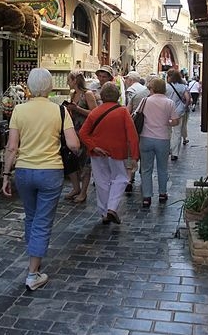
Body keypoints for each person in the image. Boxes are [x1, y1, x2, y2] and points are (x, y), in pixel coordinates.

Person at [2, 68, 80, 291]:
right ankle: (33, 273)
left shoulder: (19, 110)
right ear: (49, 87)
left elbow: (12, 147)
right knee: (43, 221)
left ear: (29, 86)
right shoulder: (60, 111)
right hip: (50, 171)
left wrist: (6, 174)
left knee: (31, 217)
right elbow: (73, 145)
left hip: (24, 171)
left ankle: (34, 256)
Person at [79, 82, 139, 225]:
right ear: (117, 96)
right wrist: (135, 156)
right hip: (118, 151)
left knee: (101, 182)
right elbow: (132, 135)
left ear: (102, 96)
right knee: (121, 178)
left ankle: (104, 212)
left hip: (98, 152)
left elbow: (83, 133)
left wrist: (93, 147)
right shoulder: (123, 112)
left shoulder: (95, 112)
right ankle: (112, 208)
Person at [139, 76, 179, 207]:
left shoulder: (145, 101)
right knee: (162, 168)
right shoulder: (169, 103)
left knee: (146, 169)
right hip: (163, 139)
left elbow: (137, 115)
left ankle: (146, 197)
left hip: (146, 137)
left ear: (153, 88)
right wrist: (166, 122)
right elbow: (175, 121)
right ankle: (162, 193)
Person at [64, 70, 98, 202]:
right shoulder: (73, 94)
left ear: (75, 80)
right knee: (72, 160)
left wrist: (77, 109)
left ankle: (83, 192)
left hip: (85, 131)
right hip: (74, 131)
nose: (67, 82)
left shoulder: (87, 94)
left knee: (85, 162)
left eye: (69, 80)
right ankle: (75, 188)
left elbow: (94, 113)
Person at [165, 68, 191, 161]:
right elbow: (188, 99)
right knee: (177, 132)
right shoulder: (183, 87)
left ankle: (167, 149)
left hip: (167, 111)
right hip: (179, 112)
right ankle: (175, 153)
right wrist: (184, 107)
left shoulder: (166, 87)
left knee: (167, 132)